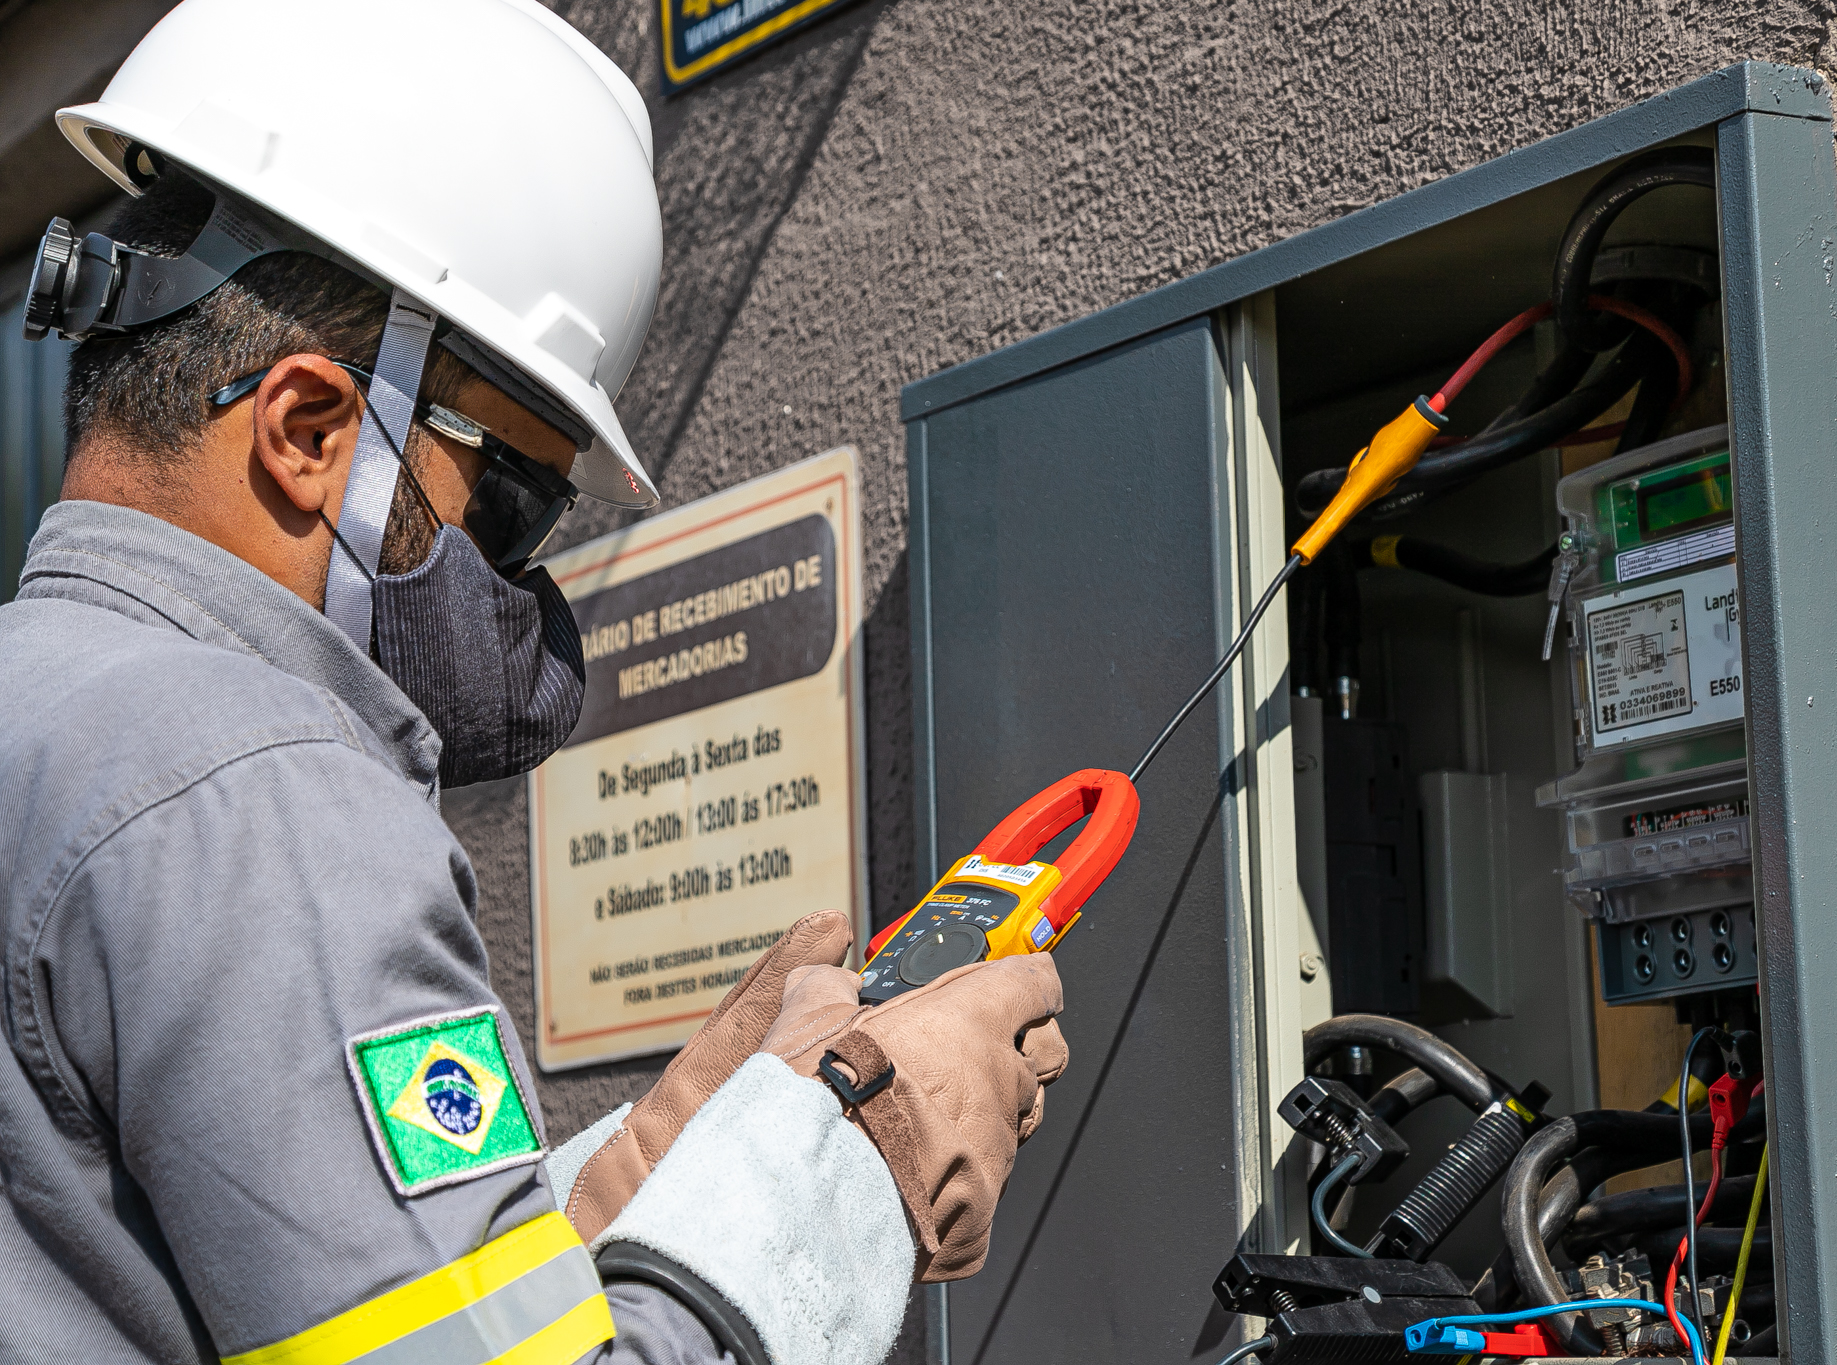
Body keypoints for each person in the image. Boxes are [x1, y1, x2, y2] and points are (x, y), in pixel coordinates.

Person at [0, 3, 1068, 1364]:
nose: (519, 584)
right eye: (508, 502)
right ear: (310, 429)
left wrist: (662, 1159)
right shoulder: (261, 795)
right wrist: (865, 1148)